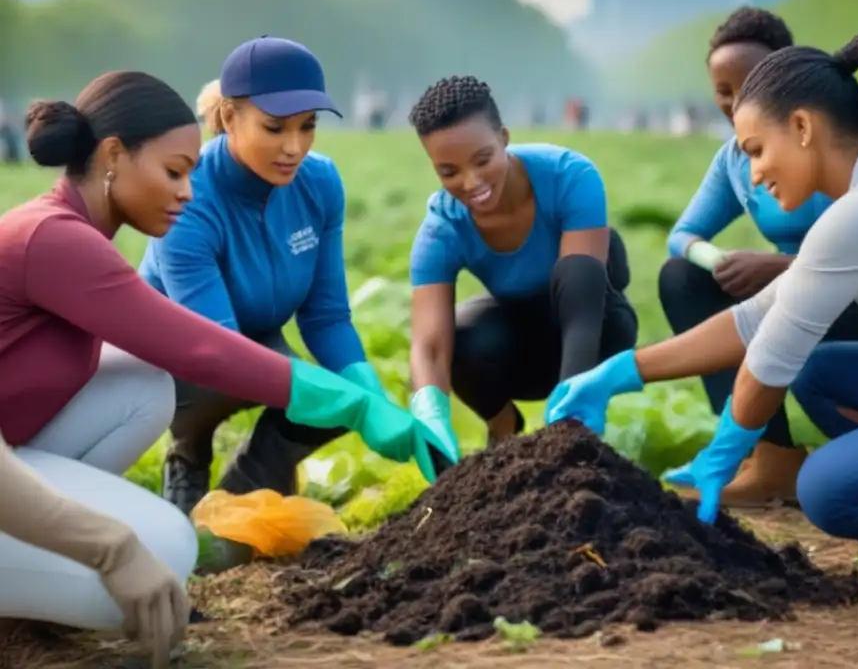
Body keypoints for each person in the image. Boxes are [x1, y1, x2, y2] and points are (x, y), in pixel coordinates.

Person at [546, 29, 858, 622]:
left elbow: (770, 357)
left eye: (754, 150)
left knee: (830, 489)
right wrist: (619, 373)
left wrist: (724, 453)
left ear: (802, 127)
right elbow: (753, 319)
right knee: (825, 375)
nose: (752, 173)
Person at [0, 70, 441, 665]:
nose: (187, 190)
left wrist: (359, 388)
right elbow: (200, 347)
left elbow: (196, 347)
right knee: (171, 550)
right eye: (174, 172)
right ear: (112, 156)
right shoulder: (57, 241)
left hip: (13, 451)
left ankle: (33, 567)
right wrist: (111, 548)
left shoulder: (67, 230)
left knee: (142, 385)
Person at [140, 37, 459, 518]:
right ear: (228, 118)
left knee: (343, 386)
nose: (294, 147)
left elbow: (326, 316)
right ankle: (189, 454)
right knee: (316, 395)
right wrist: (354, 405)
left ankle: (251, 481)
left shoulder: (320, 182)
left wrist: (369, 395)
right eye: (274, 128)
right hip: (183, 352)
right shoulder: (188, 200)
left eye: (307, 127)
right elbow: (219, 350)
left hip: (259, 335)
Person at [659, 7, 858, 508]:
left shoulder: (844, 140)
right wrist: (717, 258)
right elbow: (682, 235)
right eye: (724, 90)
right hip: (796, 293)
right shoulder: (736, 159)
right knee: (681, 278)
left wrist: (780, 267)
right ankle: (769, 456)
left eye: (751, 83)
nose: (737, 101)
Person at [407, 75, 638, 446]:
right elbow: (429, 346)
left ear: (504, 139)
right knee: (461, 335)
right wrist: (429, 414)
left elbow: (581, 303)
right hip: (518, 347)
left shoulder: (570, 176)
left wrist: (568, 423)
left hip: (593, 328)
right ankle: (503, 429)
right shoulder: (441, 229)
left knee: (596, 286)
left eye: (483, 160)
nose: (471, 183)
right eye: (449, 172)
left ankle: (575, 423)